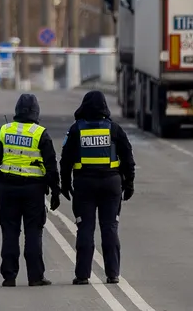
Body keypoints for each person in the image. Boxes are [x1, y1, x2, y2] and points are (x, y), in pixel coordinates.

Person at [59, 90, 135, 286]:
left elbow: (65, 159)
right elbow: (128, 157)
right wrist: (129, 183)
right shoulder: (114, 129)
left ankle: (83, 275)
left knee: (85, 228)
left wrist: (65, 183)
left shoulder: (76, 130)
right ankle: (113, 274)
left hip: (84, 185)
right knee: (110, 228)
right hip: (111, 184)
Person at [0, 93, 61, 288]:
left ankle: (9, 277)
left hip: (7, 188)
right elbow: (51, 166)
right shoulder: (40, 133)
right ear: (36, 112)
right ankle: (35, 277)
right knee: (33, 232)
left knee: (9, 232)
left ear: (17, 111)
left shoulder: (4, 131)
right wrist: (55, 191)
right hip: (33, 190)